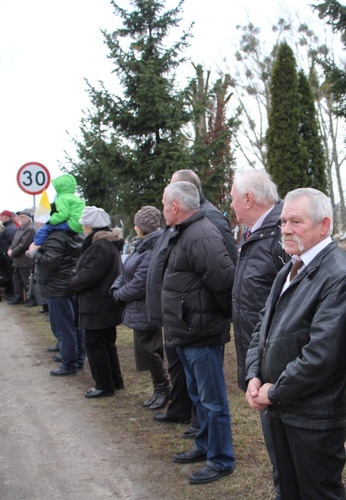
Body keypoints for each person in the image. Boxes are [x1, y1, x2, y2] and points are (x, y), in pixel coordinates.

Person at [244, 188, 346, 500]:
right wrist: (254, 374)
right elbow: (263, 325)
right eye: (284, 221)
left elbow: (323, 357)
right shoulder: (290, 268)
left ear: (323, 225)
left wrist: (275, 390)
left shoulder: (342, 279)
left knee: (317, 493)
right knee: (286, 489)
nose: (285, 228)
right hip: (279, 407)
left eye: (296, 222)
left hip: (313, 416)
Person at [160, 181, 236, 485]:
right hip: (188, 331)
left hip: (201, 333)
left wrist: (213, 320)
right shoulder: (185, 232)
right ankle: (205, 446)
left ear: (175, 207)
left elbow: (224, 282)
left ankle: (221, 459)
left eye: (165, 202)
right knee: (199, 395)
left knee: (213, 399)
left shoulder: (200, 234)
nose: (163, 207)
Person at [229, 170, 288, 497]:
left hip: (279, 355)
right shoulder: (253, 233)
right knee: (275, 440)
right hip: (260, 351)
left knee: (286, 441)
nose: (232, 204)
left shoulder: (281, 232)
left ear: (249, 199)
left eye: (234, 198)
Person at [111, 206, 171, 409]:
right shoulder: (142, 246)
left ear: (142, 227)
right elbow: (126, 270)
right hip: (139, 308)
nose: (134, 226)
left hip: (146, 307)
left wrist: (119, 294)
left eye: (137, 223)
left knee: (150, 351)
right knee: (147, 351)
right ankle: (160, 387)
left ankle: (163, 387)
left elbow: (140, 283)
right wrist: (116, 285)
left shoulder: (151, 249)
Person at [70, 206, 125, 398]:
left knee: (95, 345)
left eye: (84, 225)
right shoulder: (107, 244)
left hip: (97, 305)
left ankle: (104, 385)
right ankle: (114, 381)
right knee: (107, 344)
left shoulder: (99, 247)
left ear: (90, 227)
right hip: (106, 303)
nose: (82, 228)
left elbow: (88, 276)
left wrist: (73, 280)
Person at [31, 207, 85, 377]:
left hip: (58, 287)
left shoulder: (56, 236)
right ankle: (77, 357)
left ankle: (69, 363)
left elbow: (51, 261)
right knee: (76, 325)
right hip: (70, 283)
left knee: (64, 327)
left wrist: (34, 253)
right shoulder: (76, 233)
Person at [30, 174, 85, 248]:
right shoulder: (74, 198)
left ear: (59, 187)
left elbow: (63, 214)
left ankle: (37, 245)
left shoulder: (62, 198)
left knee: (45, 229)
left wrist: (50, 220)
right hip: (81, 224)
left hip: (72, 223)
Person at [7, 210, 36, 305]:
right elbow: (14, 242)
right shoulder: (20, 229)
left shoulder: (30, 229)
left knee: (26, 280)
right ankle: (18, 297)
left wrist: (13, 252)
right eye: (19, 216)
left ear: (27, 219)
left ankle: (31, 299)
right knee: (17, 279)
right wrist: (10, 249)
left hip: (24, 259)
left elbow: (24, 244)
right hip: (18, 260)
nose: (19, 218)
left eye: (22, 217)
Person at [0, 210, 18, 299]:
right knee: (9, 275)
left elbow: (13, 243)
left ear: (6, 217)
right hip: (6, 256)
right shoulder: (8, 227)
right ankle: (10, 292)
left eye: (1, 216)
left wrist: (8, 252)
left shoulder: (10, 229)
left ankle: (13, 293)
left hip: (8, 257)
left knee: (11, 275)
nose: (0, 218)